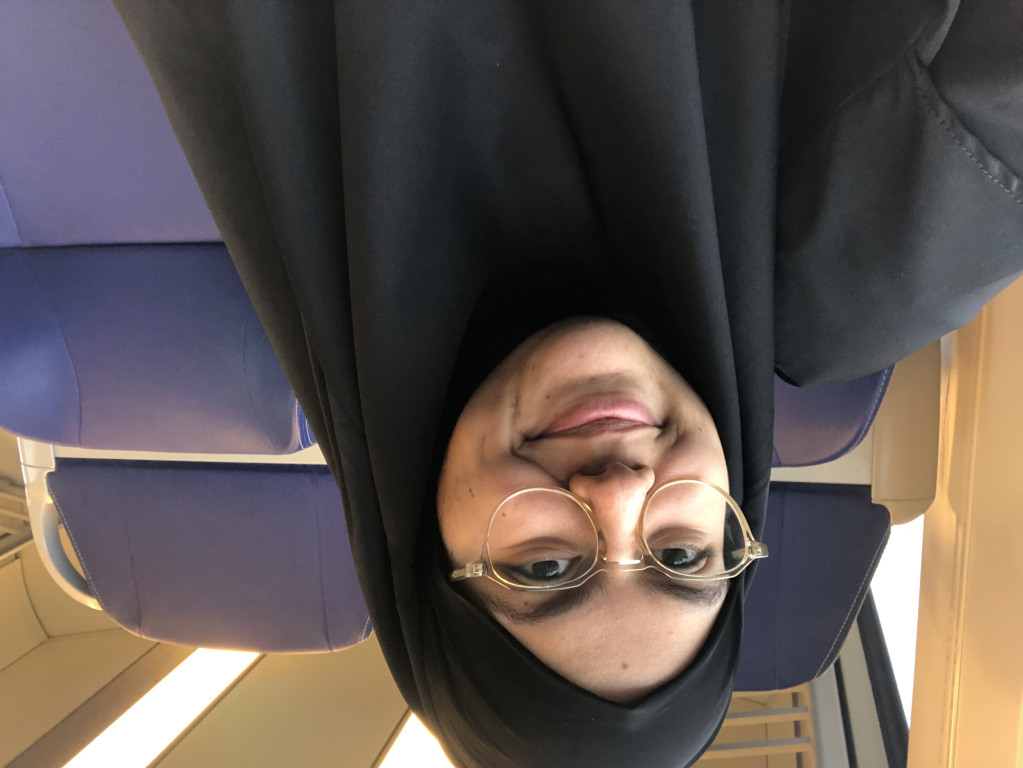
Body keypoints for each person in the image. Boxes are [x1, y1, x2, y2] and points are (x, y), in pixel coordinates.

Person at [113, 0, 1023, 765]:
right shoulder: (875, 260)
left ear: (423, 542)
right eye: (681, 556)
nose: (619, 492)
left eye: (544, 567)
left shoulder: (287, 108)